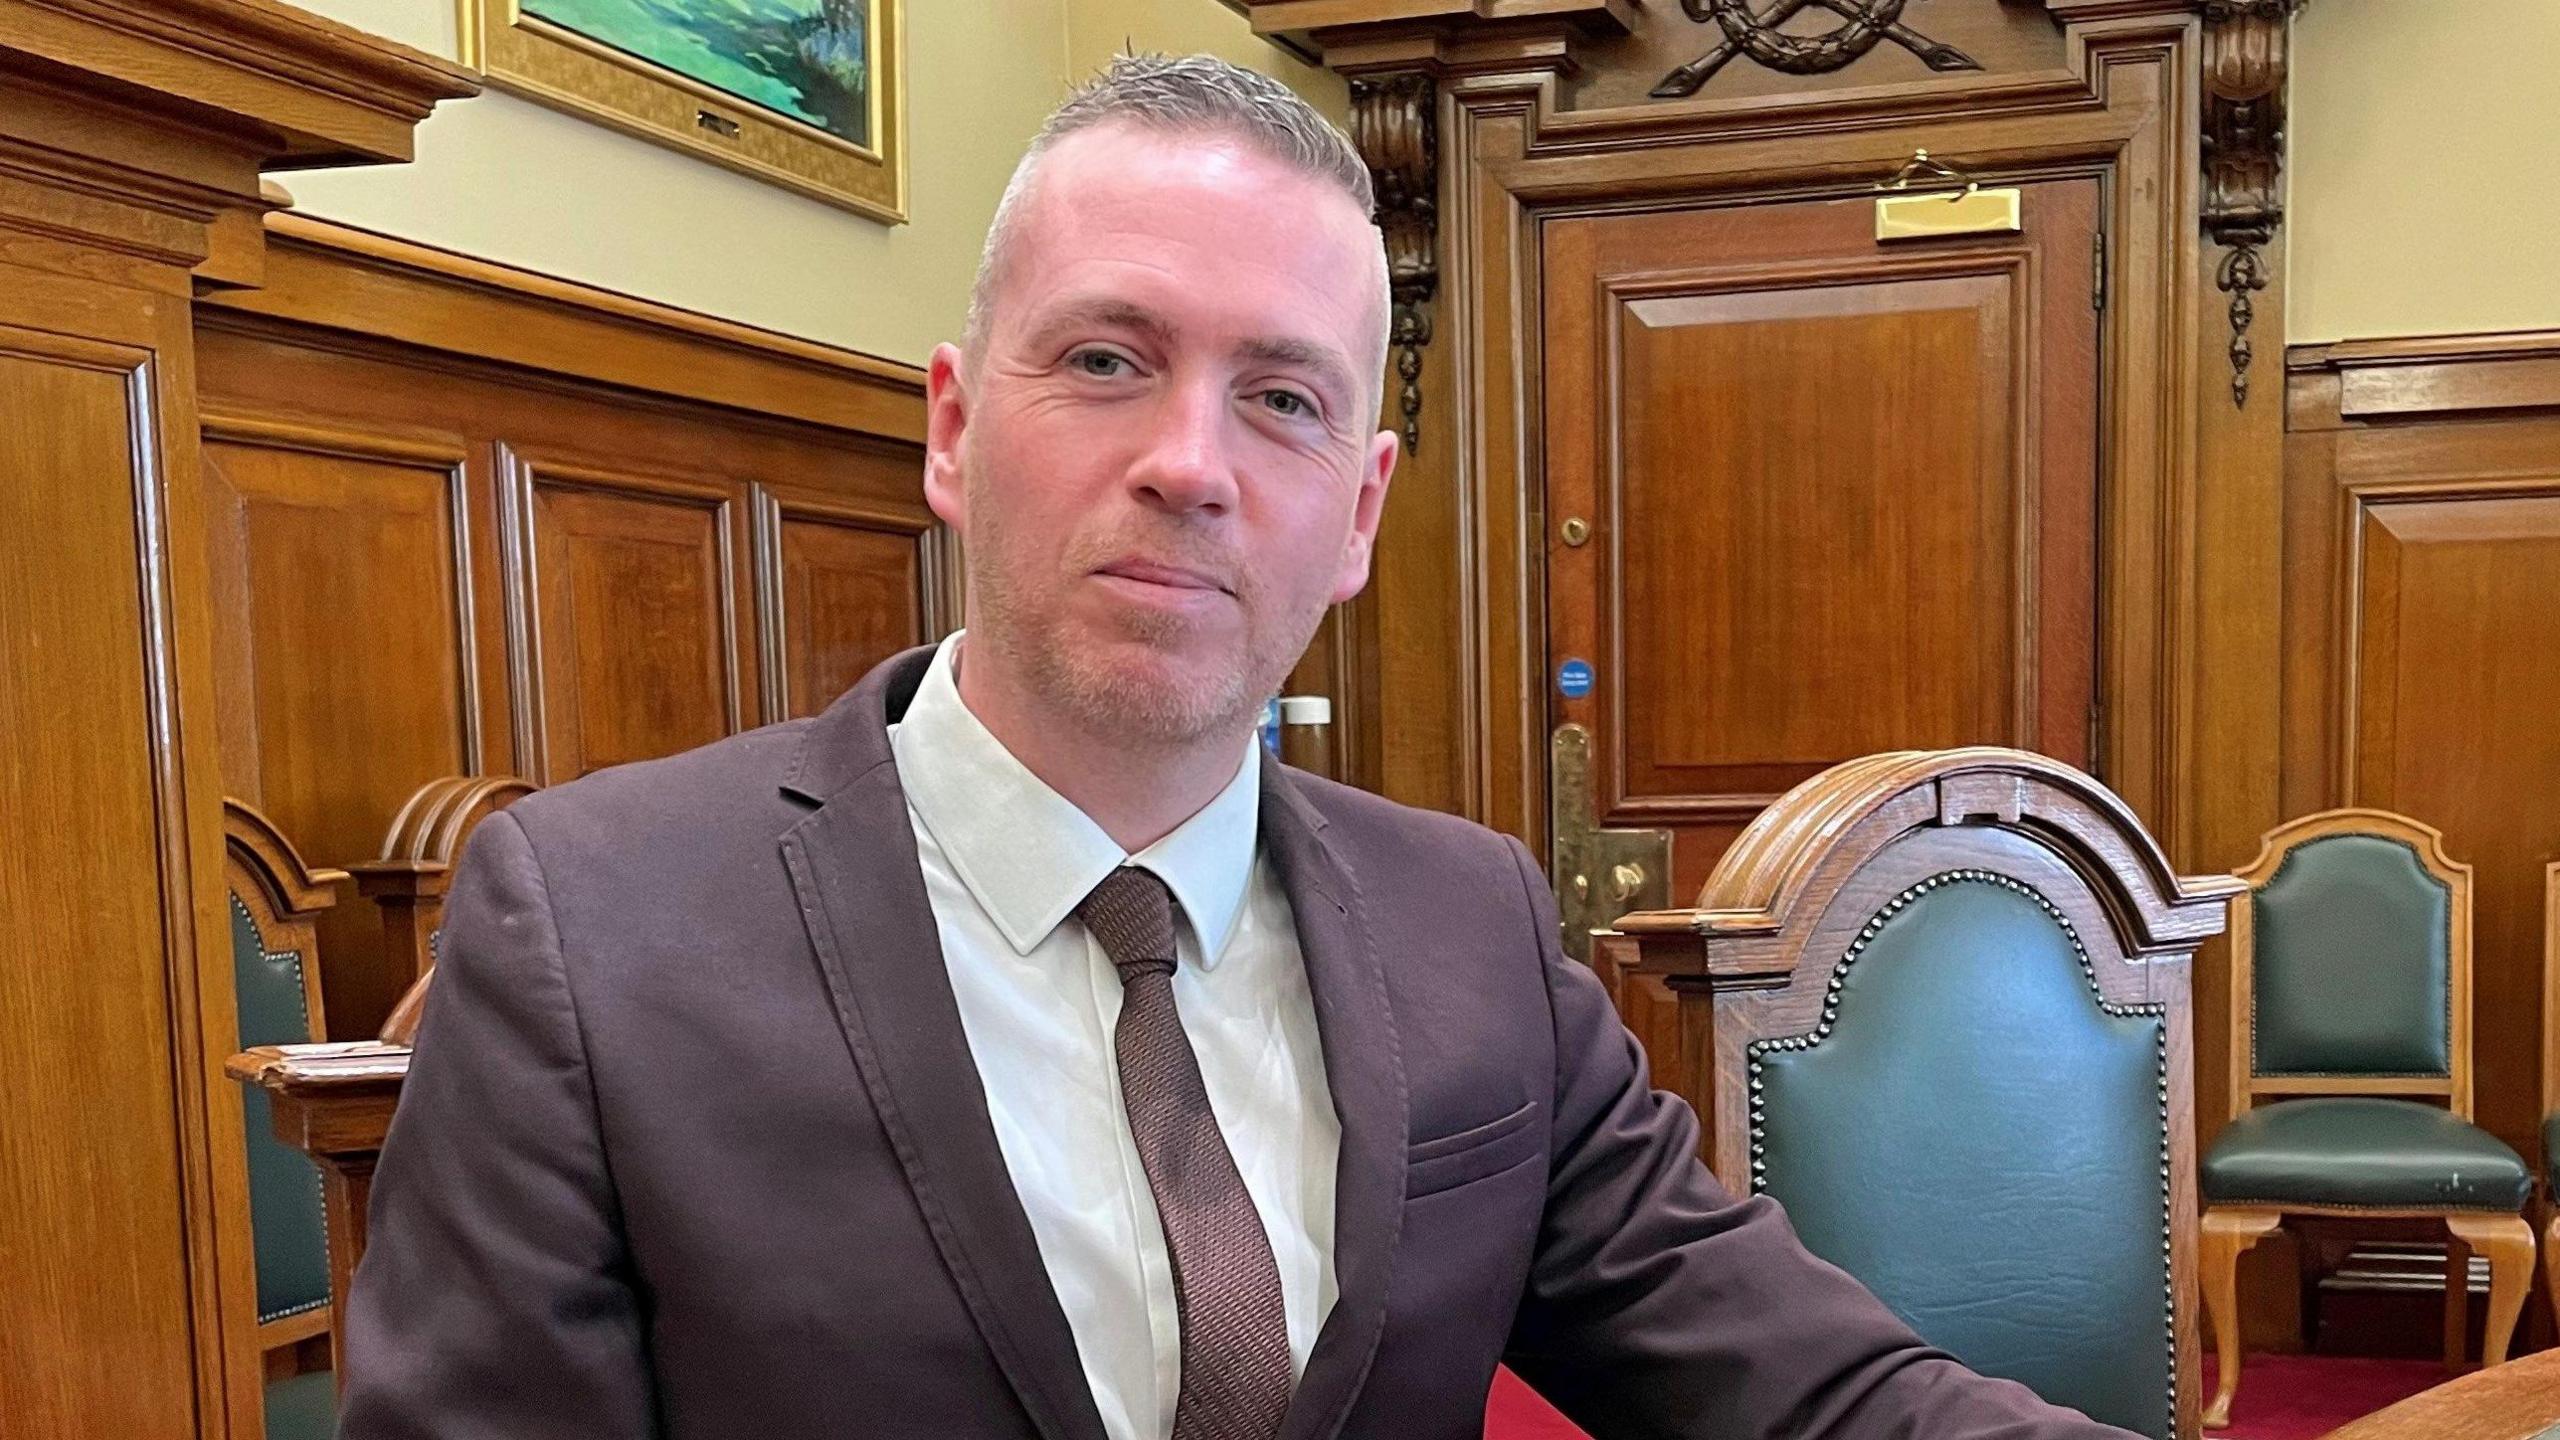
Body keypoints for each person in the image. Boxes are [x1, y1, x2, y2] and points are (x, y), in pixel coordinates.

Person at [339, 53, 2136, 1440]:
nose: (1193, 462)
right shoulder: (594, 931)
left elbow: (1806, 1391)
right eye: (1109, 359)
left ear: (1355, 513)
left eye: (1280, 398)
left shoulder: (1471, 929)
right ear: (956, 432)